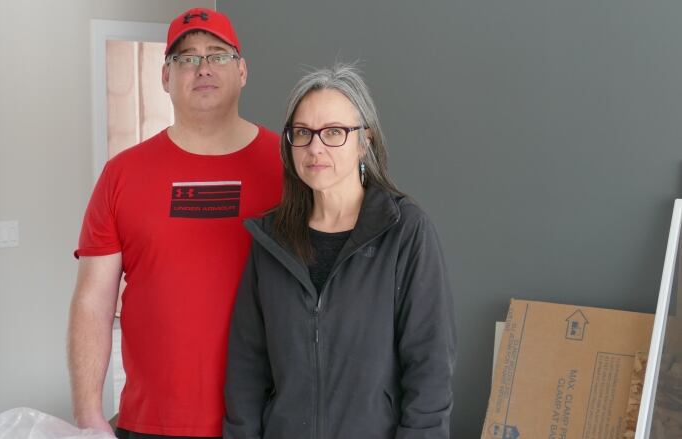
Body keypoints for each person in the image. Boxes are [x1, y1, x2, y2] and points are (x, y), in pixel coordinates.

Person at [68, 7, 282, 439]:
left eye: (217, 55)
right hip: (152, 423)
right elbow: (93, 300)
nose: (202, 67)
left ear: (242, 70)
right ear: (165, 77)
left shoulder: (288, 168)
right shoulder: (122, 174)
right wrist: (89, 415)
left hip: (268, 417)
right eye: (186, 58)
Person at [223, 64, 456, 439]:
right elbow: (246, 367)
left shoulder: (406, 232)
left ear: (365, 141)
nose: (315, 147)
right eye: (303, 133)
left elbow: (429, 370)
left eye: (334, 132)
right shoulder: (270, 239)